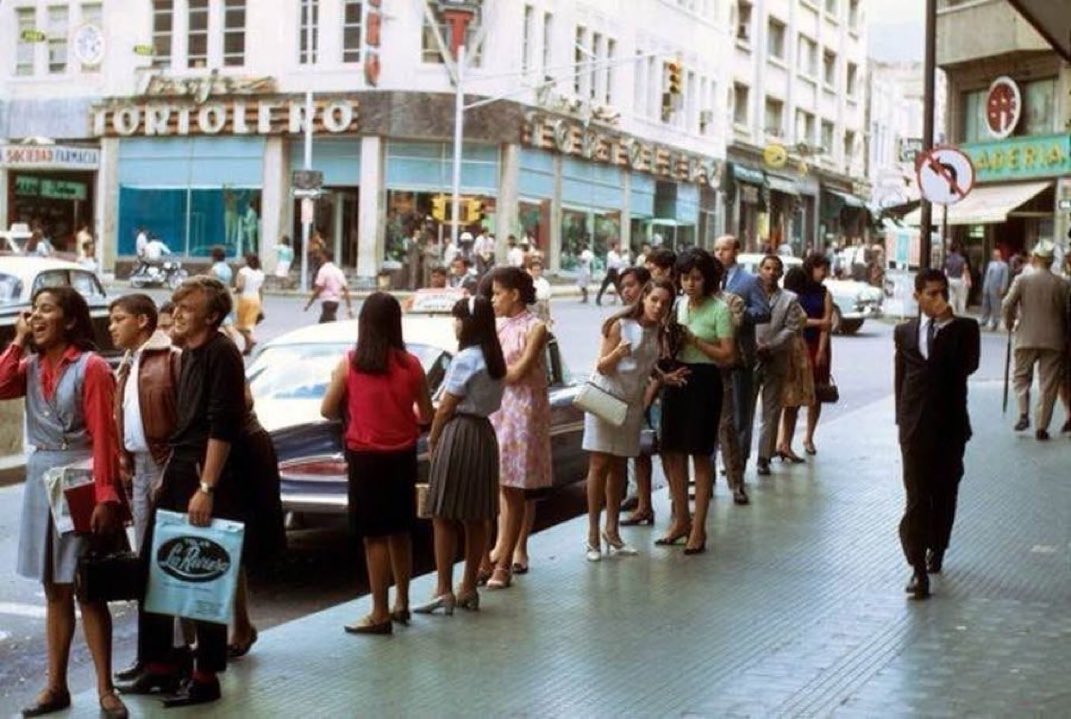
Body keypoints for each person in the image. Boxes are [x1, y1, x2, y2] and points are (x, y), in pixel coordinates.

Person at [0, 287, 128, 719]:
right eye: (33, 310)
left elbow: (105, 436)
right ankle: (55, 686)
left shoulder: (91, 367)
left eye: (46, 310)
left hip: (81, 479)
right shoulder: (30, 366)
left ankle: (105, 688)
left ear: (70, 320)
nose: (36, 317)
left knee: (89, 588)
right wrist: (17, 341)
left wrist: (106, 495)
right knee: (53, 589)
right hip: (42, 478)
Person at [119, 276, 246, 707]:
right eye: (175, 306)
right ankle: (159, 666)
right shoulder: (189, 351)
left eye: (187, 308)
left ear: (211, 316)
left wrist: (206, 486)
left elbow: (223, 426)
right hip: (179, 467)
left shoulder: (221, 353)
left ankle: (205, 675)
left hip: (202, 473)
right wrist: (169, 474)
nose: (176, 314)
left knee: (201, 573)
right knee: (155, 566)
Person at [321, 293, 434, 633]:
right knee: (400, 530)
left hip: (365, 458)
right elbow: (426, 414)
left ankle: (379, 612)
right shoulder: (412, 365)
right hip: (402, 457)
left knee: (374, 536)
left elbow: (326, 409)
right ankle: (402, 602)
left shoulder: (350, 363)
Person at [894, 269, 980, 599]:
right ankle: (917, 568)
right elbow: (901, 379)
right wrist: (902, 422)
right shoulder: (904, 332)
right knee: (916, 497)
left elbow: (966, 366)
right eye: (931, 293)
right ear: (917, 296)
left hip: (949, 427)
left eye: (942, 292)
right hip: (915, 428)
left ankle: (938, 547)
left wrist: (946, 324)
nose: (938, 299)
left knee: (944, 493)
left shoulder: (965, 330)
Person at [418, 297, 506, 615]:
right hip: (484, 434)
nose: (454, 324)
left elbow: (446, 406)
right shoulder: (495, 358)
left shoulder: (466, 358)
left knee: (443, 513)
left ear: (468, 322)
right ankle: (468, 587)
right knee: (476, 516)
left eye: (457, 318)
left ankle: (443, 588)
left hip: (459, 432)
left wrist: (434, 438)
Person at [582, 279, 675, 561]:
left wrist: (663, 377)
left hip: (632, 406)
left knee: (620, 466)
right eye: (654, 299)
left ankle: (612, 531)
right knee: (599, 465)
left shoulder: (659, 331)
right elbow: (602, 366)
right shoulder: (620, 325)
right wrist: (617, 353)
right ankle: (592, 536)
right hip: (605, 399)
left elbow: (647, 362)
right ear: (644, 297)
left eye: (665, 303)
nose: (658, 306)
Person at [658, 249, 735, 554]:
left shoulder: (720, 310)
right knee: (672, 452)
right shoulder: (677, 305)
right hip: (677, 377)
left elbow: (727, 356)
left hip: (705, 380)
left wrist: (694, 340)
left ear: (708, 280)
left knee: (700, 455)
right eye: (685, 277)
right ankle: (681, 520)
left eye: (697, 278)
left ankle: (699, 528)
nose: (690, 283)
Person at [484, 267, 551, 586]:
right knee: (502, 482)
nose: (493, 299)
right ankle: (502, 548)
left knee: (517, 484)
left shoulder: (536, 327)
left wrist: (493, 371)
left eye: (498, 293)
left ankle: (512, 552)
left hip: (524, 411)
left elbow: (518, 371)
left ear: (514, 294)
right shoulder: (496, 326)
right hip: (499, 409)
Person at [714, 235, 770, 493]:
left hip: (741, 356)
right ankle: (714, 466)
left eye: (724, 249)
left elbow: (764, 312)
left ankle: (739, 465)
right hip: (714, 355)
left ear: (736, 250)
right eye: (716, 249)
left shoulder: (749, 281)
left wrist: (738, 312)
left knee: (740, 414)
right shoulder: (708, 280)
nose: (719, 253)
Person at [1002, 240, 1071, 440]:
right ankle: (1042, 426)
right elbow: (1067, 312)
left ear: (1035, 258)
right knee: (1049, 384)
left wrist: (1009, 322)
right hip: (1054, 339)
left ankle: (1024, 413)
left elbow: (1007, 304)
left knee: (1021, 376)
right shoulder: (1063, 284)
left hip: (1026, 335)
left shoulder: (1022, 280)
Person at [753, 256, 805, 476]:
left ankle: (764, 457)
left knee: (771, 411)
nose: (771, 272)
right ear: (760, 270)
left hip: (776, 358)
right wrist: (754, 346)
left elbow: (791, 328)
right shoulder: (749, 294)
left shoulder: (790, 299)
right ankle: (738, 457)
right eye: (767, 268)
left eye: (775, 269)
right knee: (743, 410)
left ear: (781, 274)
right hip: (751, 357)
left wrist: (771, 346)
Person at [779, 254, 833, 457]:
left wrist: (821, 350)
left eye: (826, 269)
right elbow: (796, 319)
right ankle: (783, 440)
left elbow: (827, 324)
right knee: (791, 393)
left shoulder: (825, 293)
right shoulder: (795, 290)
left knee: (816, 392)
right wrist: (818, 323)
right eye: (821, 268)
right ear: (811, 268)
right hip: (797, 343)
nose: (824, 273)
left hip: (817, 344)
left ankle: (808, 436)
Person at [304, 249, 353, 323]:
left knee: (326, 325)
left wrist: (309, 304)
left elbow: (318, 289)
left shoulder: (323, 270)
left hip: (327, 302)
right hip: (336, 302)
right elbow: (346, 290)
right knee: (327, 323)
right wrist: (349, 308)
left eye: (320, 257)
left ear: (325, 257)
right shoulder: (338, 271)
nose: (319, 259)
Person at [235, 253, 265, 355]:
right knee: (249, 325)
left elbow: (240, 287)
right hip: (256, 299)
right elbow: (261, 290)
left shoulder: (243, 271)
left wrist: (234, 290)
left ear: (247, 260)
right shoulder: (260, 273)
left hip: (245, 299)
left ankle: (251, 340)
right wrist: (261, 305)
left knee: (239, 325)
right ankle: (247, 348)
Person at [979, 248, 1009, 331]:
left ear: (999, 255)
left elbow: (1005, 278)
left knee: (996, 306)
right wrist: (984, 287)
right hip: (988, 287)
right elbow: (987, 276)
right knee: (985, 305)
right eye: (993, 255)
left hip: (996, 288)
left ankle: (995, 322)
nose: (994, 256)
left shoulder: (1004, 265)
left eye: (996, 255)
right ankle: (984, 320)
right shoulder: (990, 264)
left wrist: (1003, 288)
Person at [596, 242, 626, 306]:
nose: (618, 248)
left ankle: (624, 300)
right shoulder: (610, 254)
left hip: (615, 272)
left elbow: (620, 264)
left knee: (618, 287)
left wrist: (620, 262)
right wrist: (619, 262)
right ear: (613, 247)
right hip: (611, 271)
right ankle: (598, 299)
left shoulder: (617, 255)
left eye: (618, 246)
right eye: (616, 246)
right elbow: (614, 263)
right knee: (604, 286)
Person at [944, 242, 970, 315]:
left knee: (951, 298)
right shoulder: (962, 259)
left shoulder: (948, 259)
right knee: (961, 298)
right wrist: (968, 280)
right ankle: (961, 314)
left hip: (950, 279)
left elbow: (945, 271)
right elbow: (965, 270)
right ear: (957, 250)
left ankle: (952, 313)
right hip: (959, 279)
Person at [527, 257, 552, 325]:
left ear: (541, 271)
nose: (536, 272)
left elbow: (547, 301)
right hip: (532, 308)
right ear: (531, 271)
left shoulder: (545, 282)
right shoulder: (528, 282)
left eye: (538, 270)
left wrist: (549, 317)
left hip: (543, 309)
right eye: (534, 270)